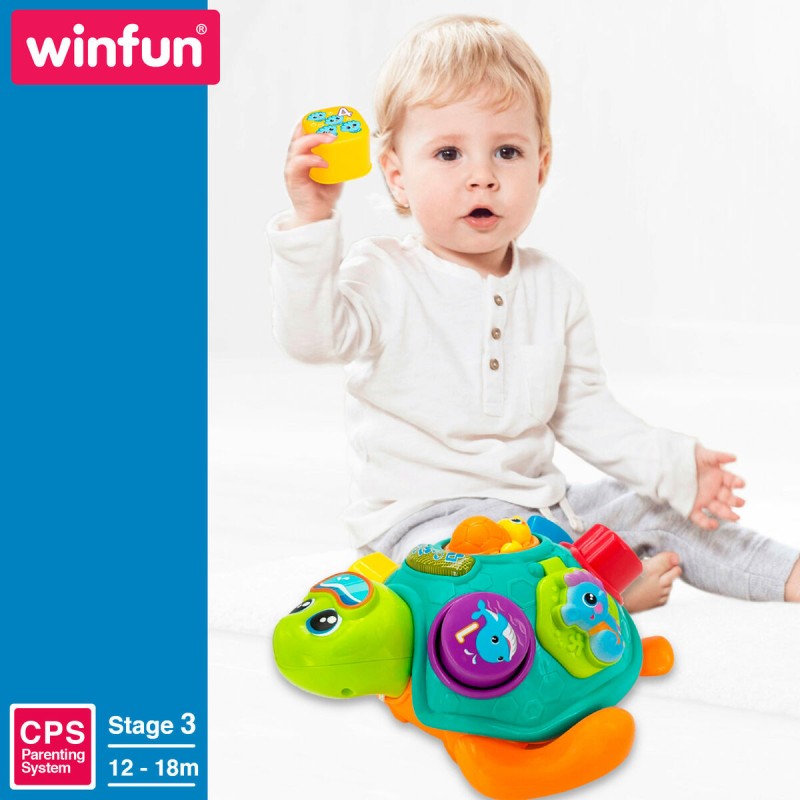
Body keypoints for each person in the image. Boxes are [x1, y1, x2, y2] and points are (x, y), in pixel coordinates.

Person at [268, 14, 800, 611]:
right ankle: (593, 596)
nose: (482, 177)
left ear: (541, 166)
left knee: (652, 507)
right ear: (396, 175)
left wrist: (675, 467)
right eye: (448, 153)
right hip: (424, 524)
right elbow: (311, 338)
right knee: (462, 570)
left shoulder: (554, 288)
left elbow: (587, 413)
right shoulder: (383, 272)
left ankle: (785, 574)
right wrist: (311, 221)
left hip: (539, 507)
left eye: (507, 152)